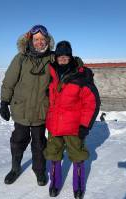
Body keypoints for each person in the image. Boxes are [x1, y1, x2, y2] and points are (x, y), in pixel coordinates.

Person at [43, 41, 100, 198]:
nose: (62, 59)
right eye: (59, 56)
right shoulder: (50, 73)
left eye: (65, 56)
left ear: (70, 57)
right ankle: (54, 184)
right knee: (53, 155)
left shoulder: (80, 76)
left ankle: (78, 187)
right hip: (54, 125)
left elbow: (92, 103)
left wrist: (85, 125)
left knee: (77, 156)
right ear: (56, 57)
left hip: (73, 126)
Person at [0, 24, 55, 186]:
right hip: (21, 109)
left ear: (47, 41)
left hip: (41, 110)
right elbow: (9, 81)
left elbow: (67, 67)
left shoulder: (52, 59)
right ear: (30, 40)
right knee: (18, 140)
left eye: (42, 39)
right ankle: (15, 168)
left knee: (39, 144)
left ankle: (39, 172)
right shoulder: (21, 58)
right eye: (36, 39)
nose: (39, 42)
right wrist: (4, 102)